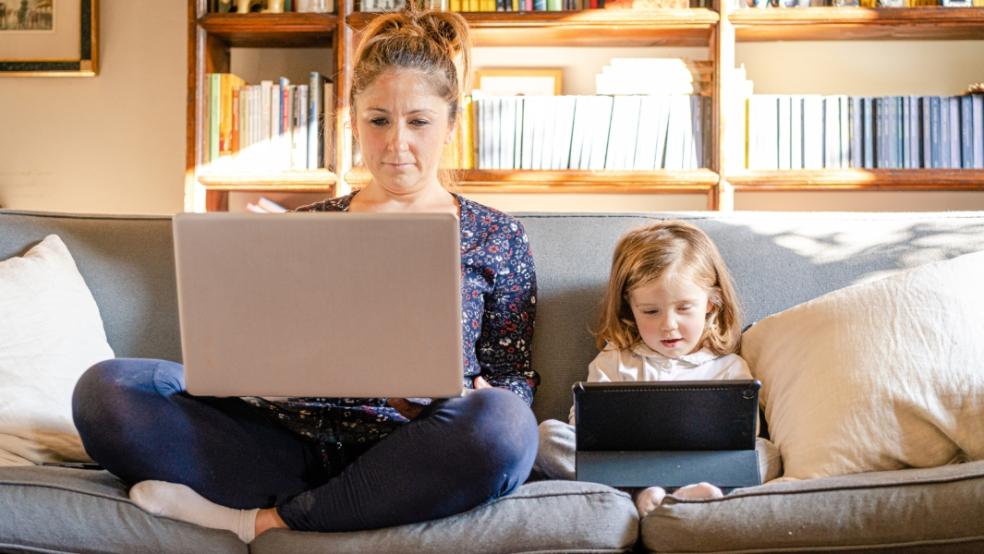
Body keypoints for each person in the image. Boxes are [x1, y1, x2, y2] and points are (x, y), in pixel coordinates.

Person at [71, 7, 539, 543]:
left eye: (418, 121)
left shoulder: (497, 237)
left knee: (504, 427)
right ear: (354, 119)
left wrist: (461, 396)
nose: (396, 144)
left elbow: (514, 378)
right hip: (282, 443)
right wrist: (253, 371)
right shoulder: (304, 228)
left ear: (452, 124)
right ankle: (326, 506)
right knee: (105, 391)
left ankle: (262, 522)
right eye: (378, 120)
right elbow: (245, 346)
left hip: (411, 453)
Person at [533, 220, 780, 517]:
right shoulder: (614, 360)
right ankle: (643, 492)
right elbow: (582, 430)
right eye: (650, 311)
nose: (668, 324)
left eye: (684, 308)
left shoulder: (729, 368)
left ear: (712, 303)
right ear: (629, 308)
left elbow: (742, 438)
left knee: (767, 453)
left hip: (701, 465)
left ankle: (688, 491)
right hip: (626, 465)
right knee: (547, 436)